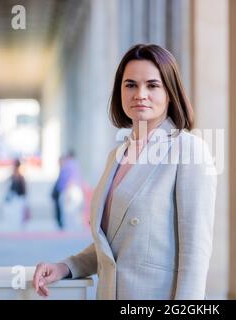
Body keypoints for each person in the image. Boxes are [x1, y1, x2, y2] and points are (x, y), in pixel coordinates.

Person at [33, 44, 217, 299]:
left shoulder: (188, 149)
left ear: (170, 93)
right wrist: (66, 266)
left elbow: (195, 252)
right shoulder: (117, 156)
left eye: (152, 85)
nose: (140, 94)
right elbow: (114, 245)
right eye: (130, 85)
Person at [51, 151, 83, 230]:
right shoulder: (74, 165)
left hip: (69, 191)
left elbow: (70, 180)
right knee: (71, 211)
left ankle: (69, 227)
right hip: (71, 190)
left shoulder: (69, 165)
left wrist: (68, 192)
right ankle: (71, 227)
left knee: (69, 211)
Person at [4, 158, 29, 231]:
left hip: (19, 197)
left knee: (19, 214)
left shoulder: (20, 175)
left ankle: (19, 227)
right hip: (14, 197)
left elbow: (24, 188)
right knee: (13, 213)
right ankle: (16, 227)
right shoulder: (14, 175)